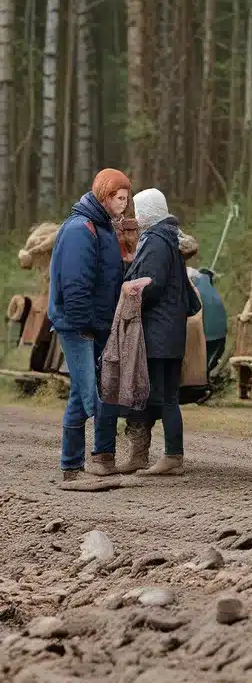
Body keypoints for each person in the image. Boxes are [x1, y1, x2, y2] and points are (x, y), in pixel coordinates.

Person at [48, 169, 131, 481]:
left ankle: (82, 463)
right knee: (90, 394)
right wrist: (89, 325)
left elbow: (107, 278)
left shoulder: (103, 228)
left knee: (81, 393)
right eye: (119, 198)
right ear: (105, 196)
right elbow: (75, 286)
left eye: (126, 198)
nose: (124, 204)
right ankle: (74, 468)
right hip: (78, 325)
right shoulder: (81, 230)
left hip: (95, 324)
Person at [118, 189, 200, 476]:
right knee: (164, 395)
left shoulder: (155, 241)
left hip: (157, 333)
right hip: (169, 330)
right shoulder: (169, 238)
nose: (136, 217)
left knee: (162, 396)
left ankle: (172, 457)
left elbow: (150, 285)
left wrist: (129, 293)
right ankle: (163, 455)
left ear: (148, 212)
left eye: (139, 210)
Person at [188, 266, 228, 375]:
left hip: (202, 336)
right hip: (219, 336)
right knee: (207, 363)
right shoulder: (212, 292)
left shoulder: (193, 289)